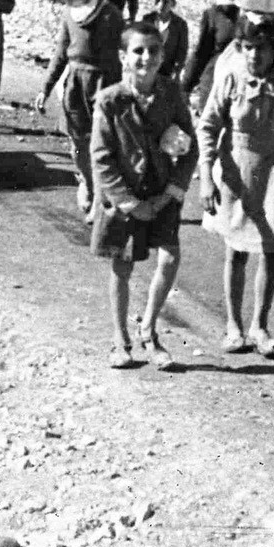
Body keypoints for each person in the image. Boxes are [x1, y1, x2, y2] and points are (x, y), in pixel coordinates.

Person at [197, 0, 274, 357]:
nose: (254, 55)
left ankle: (260, 326)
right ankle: (233, 325)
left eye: (262, 49)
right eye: (248, 47)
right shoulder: (231, 76)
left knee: (269, 249)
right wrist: (205, 176)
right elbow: (208, 126)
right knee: (236, 250)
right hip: (237, 167)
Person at [91, 23, 198, 370]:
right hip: (126, 198)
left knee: (169, 259)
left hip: (162, 193)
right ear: (123, 57)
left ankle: (149, 330)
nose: (146, 57)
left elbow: (190, 148)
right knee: (122, 266)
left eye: (153, 50)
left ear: (163, 55)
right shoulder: (109, 101)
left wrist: (171, 193)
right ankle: (120, 340)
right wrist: (130, 203)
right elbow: (102, 157)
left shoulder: (171, 92)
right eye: (138, 51)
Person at [35, 0, 127, 214]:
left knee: (102, 143)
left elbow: (125, 53)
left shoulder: (111, 15)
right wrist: (46, 87)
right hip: (75, 85)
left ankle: (99, 195)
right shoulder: (69, 13)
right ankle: (86, 180)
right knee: (77, 142)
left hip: (103, 86)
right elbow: (61, 52)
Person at [182, 0, 260, 101]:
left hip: (249, 94)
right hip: (214, 88)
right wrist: (185, 88)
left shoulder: (269, 17)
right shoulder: (216, 14)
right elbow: (201, 53)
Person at [143, 0, 188, 82]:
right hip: (147, 68)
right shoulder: (147, 19)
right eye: (158, 0)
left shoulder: (180, 25)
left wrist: (177, 72)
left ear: (173, 4)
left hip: (166, 72)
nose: (160, 5)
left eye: (165, 2)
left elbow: (181, 51)